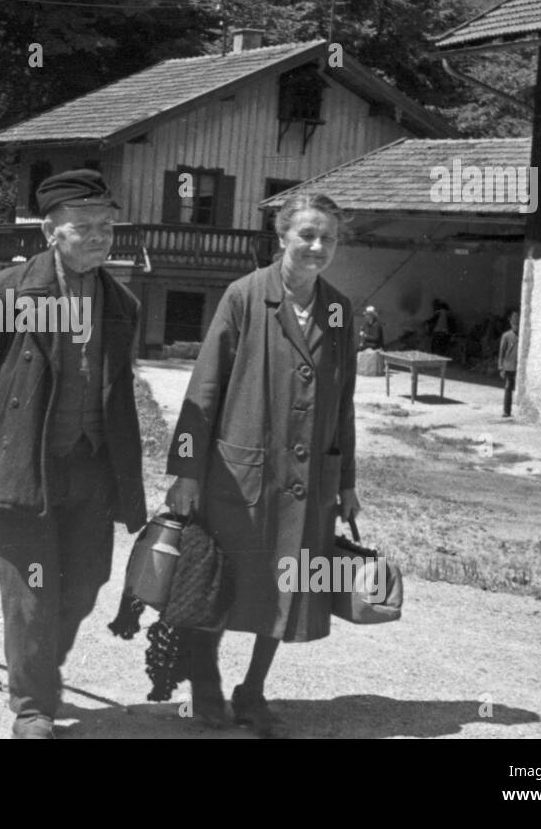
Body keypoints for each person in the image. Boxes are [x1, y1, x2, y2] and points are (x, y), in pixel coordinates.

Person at [0, 169, 147, 739]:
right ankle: (32, 707)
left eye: (107, 226)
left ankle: (37, 674)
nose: (101, 237)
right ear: (51, 232)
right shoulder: (11, 293)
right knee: (31, 593)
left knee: (85, 583)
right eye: (86, 227)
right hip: (23, 469)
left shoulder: (120, 303)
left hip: (90, 468)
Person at [164, 191, 360, 736]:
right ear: (282, 238)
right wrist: (184, 471)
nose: (318, 247)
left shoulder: (340, 309)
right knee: (217, 584)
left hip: (305, 483)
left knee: (287, 587)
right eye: (308, 235)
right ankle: (205, 686)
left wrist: (345, 483)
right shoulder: (244, 296)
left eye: (329, 238)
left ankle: (252, 694)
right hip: (238, 475)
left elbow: (343, 402)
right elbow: (203, 389)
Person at [499, 310, 519, 418]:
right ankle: (507, 411)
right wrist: (501, 367)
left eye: (517, 323)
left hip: (519, 366)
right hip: (509, 366)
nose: (515, 325)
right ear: (510, 323)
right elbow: (502, 352)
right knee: (508, 388)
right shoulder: (506, 336)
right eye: (513, 323)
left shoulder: (522, 336)